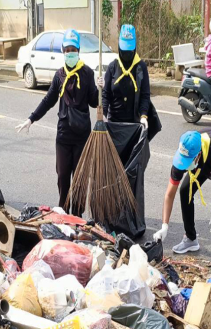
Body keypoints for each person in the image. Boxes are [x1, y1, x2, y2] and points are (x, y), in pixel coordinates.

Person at [15, 29, 98, 214]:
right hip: (63, 135)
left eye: (73, 50)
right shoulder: (59, 75)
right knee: (62, 177)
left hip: (82, 136)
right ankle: (63, 212)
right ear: (63, 51)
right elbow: (48, 101)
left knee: (79, 180)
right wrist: (31, 119)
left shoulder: (87, 73)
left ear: (78, 50)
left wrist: (99, 89)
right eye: (67, 50)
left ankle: (77, 216)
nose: (70, 53)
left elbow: (94, 102)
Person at [153, 128, 211, 274]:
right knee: (185, 191)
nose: (184, 166)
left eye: (187, 162)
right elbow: (169, 194)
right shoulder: (183, 155)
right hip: (202, 162)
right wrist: (164, 226)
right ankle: (191, 239)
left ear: (198, 155)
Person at [100, 24, 150, 126]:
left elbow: (145, 95)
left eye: (129, 50)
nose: (126, 53)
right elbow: (106, 95)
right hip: (114, 122)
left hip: (135, 123)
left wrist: (143, 116)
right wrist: (103, 114)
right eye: (124, 50)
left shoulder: (141, 67)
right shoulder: (112, 67)